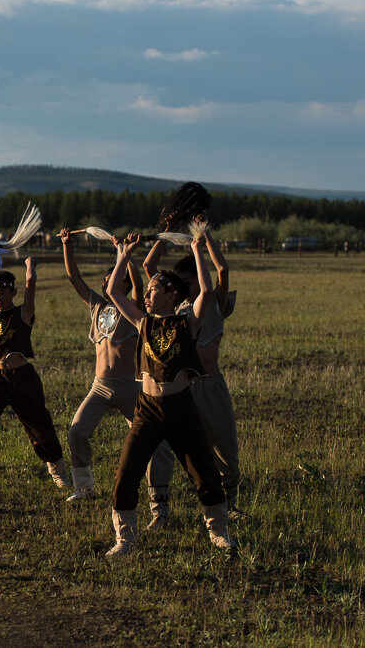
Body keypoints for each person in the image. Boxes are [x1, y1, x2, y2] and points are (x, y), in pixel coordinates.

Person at [102, 232, 235, 557]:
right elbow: (112, 290)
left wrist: (195, 248)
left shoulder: (187, 323)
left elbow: (205, 289)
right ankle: (125, 539)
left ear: (172, 294)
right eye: (146, 291)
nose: (146, 294)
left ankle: (218, 533)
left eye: (153, 290)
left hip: (180, 407)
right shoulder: (142, 322)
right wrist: (126, 253)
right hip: (147, 408)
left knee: (202, 471)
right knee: (126, 473)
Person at [142, 214, 243, 524]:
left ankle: (229, 506)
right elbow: (149, 270)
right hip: (179, 388)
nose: (192, 286)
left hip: (210, 386)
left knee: (223, 445)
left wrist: (204, 236)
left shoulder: (213, 304)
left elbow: (222, 269)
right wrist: (165, 233)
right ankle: (159, 508)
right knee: (159, 444)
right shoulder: (173, 310)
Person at [0, 238, 69, 489]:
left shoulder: (23, 313)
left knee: (39, 427)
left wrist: (29, 263)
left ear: (13, 292)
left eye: (2, 292)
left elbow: (31, 283)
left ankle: (59, 473)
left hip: (22, 377)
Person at [59, 227, 143, 501]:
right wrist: (67, 245)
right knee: (76, 432)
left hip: (130, 386)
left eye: (113, 280)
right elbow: (73, 277)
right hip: (100, 387)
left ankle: (156, 492)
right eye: (106, 280)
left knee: (147, 438)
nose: (107, 284)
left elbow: (138, 284)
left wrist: (125, 253)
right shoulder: (96, 305)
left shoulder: (133, 308)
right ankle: (84, 487)